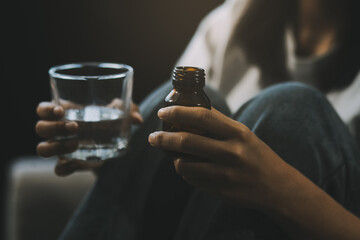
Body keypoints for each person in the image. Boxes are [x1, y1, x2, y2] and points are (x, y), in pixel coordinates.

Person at [35, 0, 360, 239]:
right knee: (179, 103)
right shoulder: (233, 23)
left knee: (291, 110)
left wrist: (278, 188)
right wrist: (121, 149)